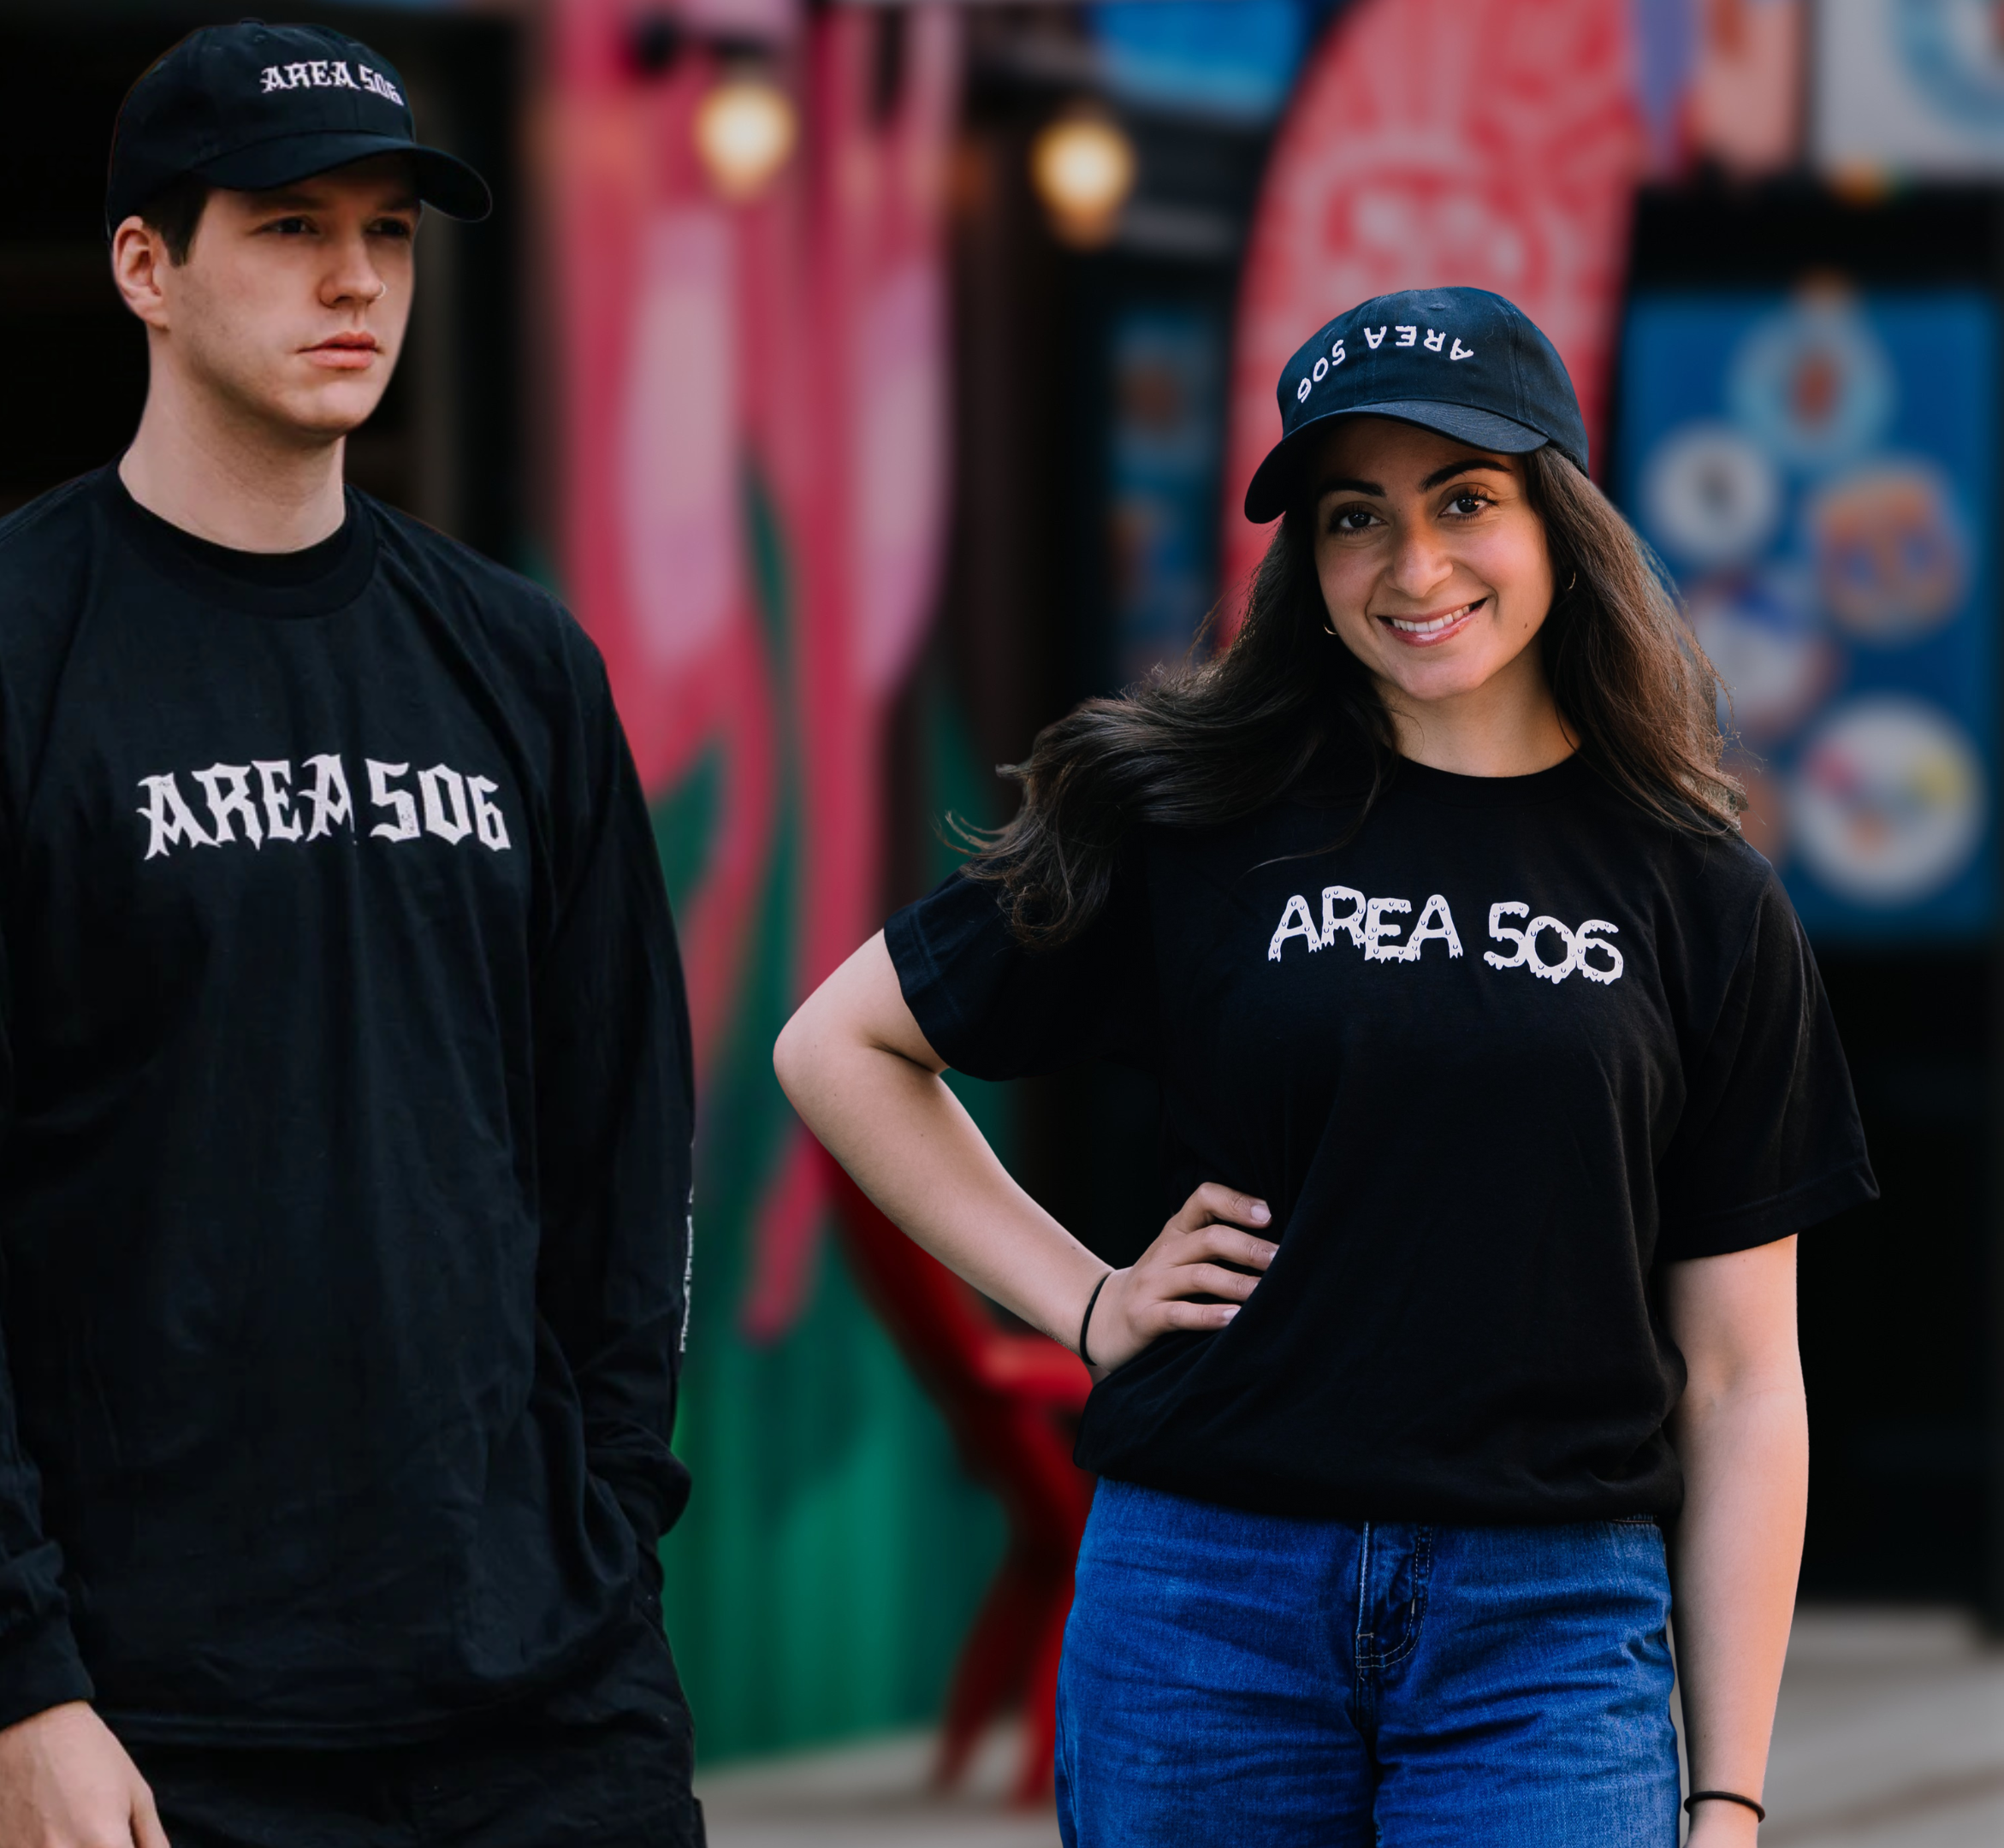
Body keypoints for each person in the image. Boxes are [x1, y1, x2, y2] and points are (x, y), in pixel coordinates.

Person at [775, 287, 1869, 1848]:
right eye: (1358, 516)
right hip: (1207, 1604)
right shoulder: (1201, 822)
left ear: (1561, 515)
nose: (1414, 567)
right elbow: (839, 1045)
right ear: (1309, 557)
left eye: (1466, 501)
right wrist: (1086, 1299)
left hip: (1549, 1633)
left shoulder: (1703, 898)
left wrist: (1731, 1796)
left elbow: (1747, 1380)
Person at [0, 21, 700, 1848]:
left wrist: (600, 1523)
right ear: (146, 264)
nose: (356, 278)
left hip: (536, 1692)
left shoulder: (519, 669)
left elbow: (628, 1132)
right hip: (142, 1716)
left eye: (391, 230)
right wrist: (14, 1676)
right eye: (290, 226)